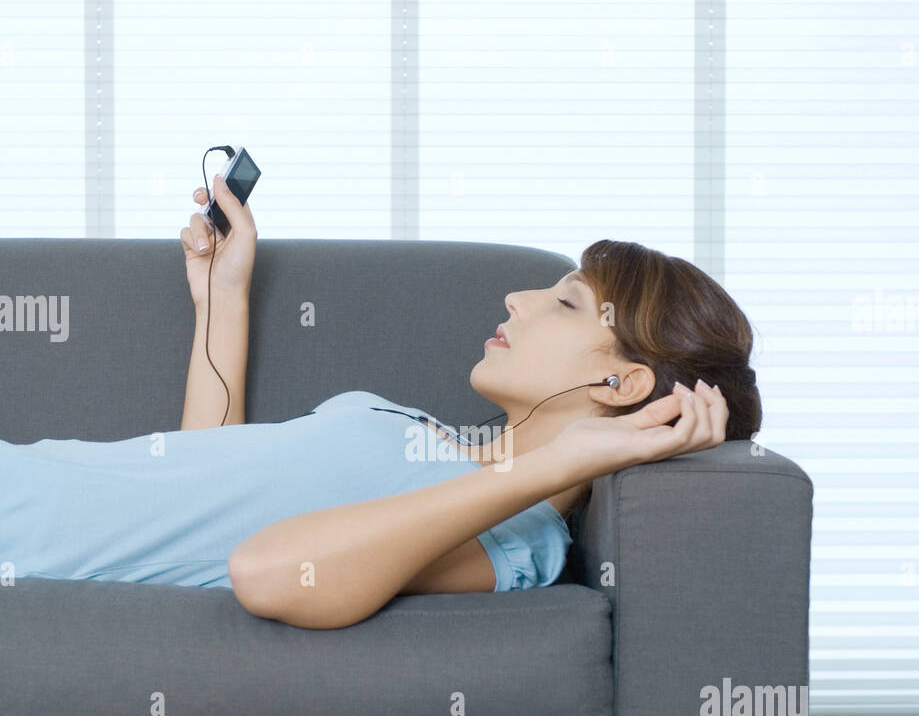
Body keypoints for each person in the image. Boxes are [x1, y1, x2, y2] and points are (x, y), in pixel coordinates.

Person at [0, 178, 756, 630]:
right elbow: (200, 471)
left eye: (563, 304)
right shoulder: (437, 444)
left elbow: (266, 569)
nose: (518, 299)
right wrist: (221, 294)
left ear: (619, 385)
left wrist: (554, 468)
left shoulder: (517, 540)